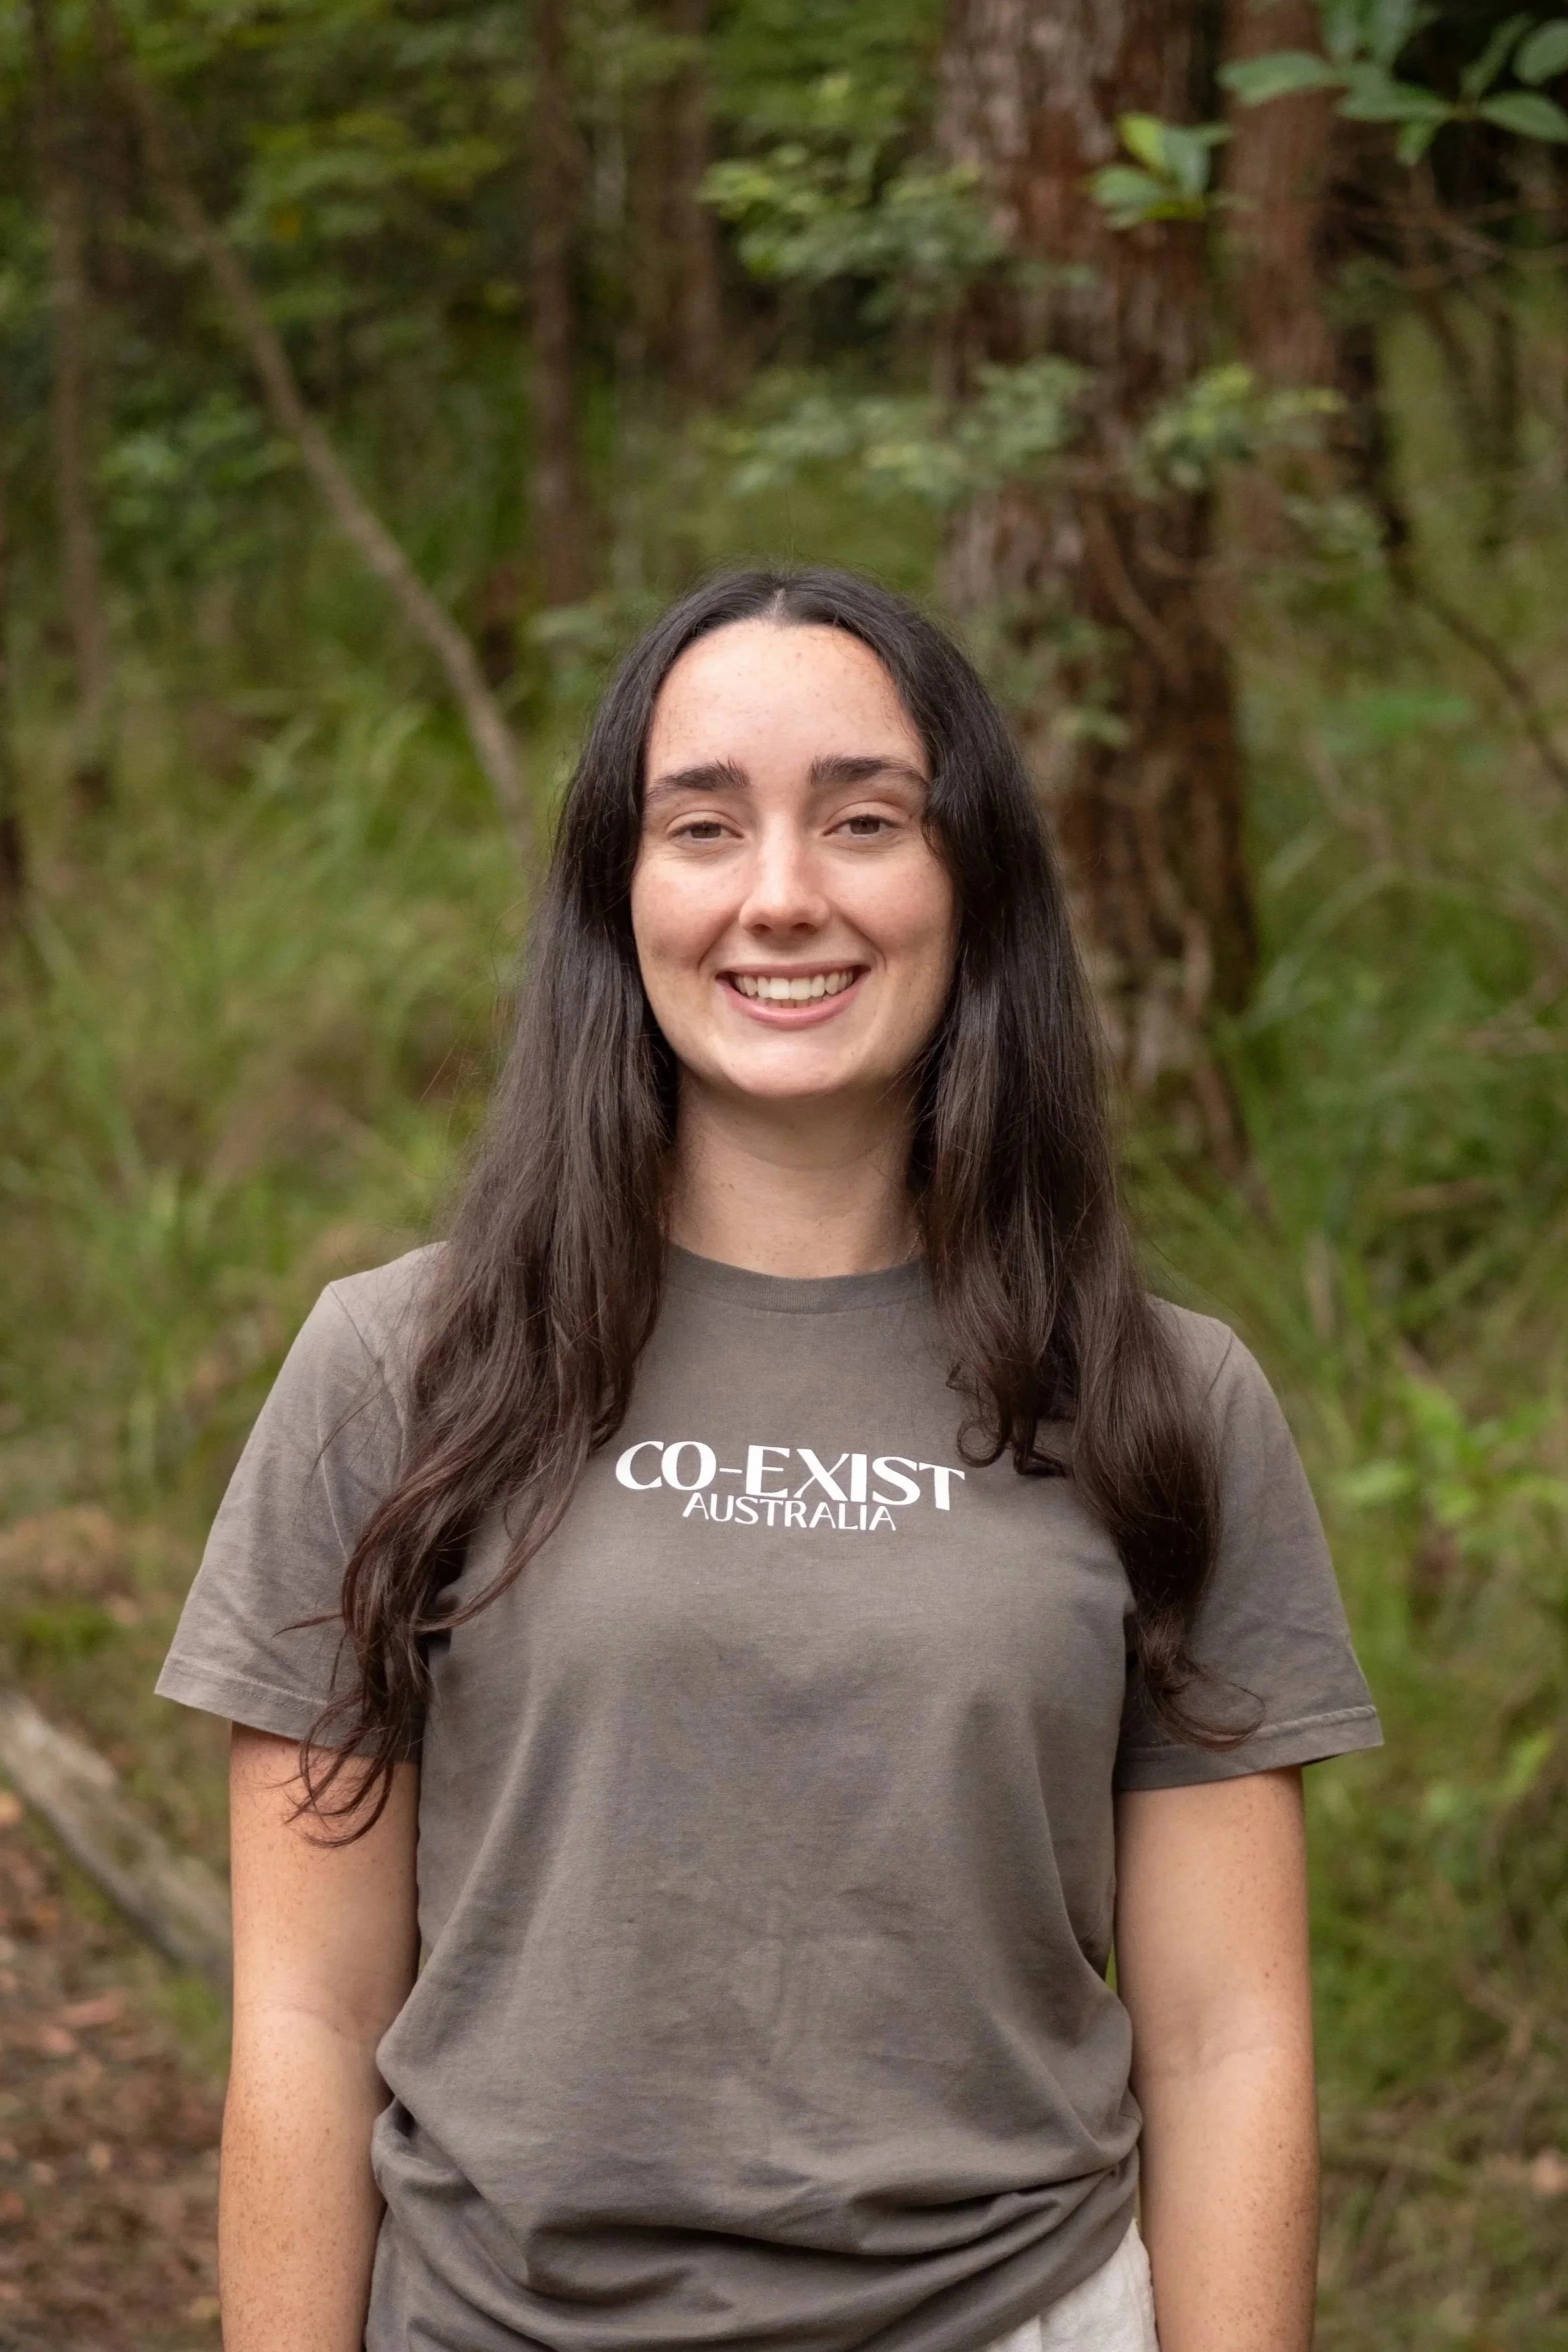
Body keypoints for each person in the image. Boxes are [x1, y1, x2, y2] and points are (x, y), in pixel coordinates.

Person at [157, 567, 1381, 2352]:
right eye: (703, 826)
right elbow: (305, 2016)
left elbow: (1230, 2041)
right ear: (621, 893)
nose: (782, 895)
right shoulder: (398, 1371)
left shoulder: (1157, 1397)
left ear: (973, 885)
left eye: (866, 820)